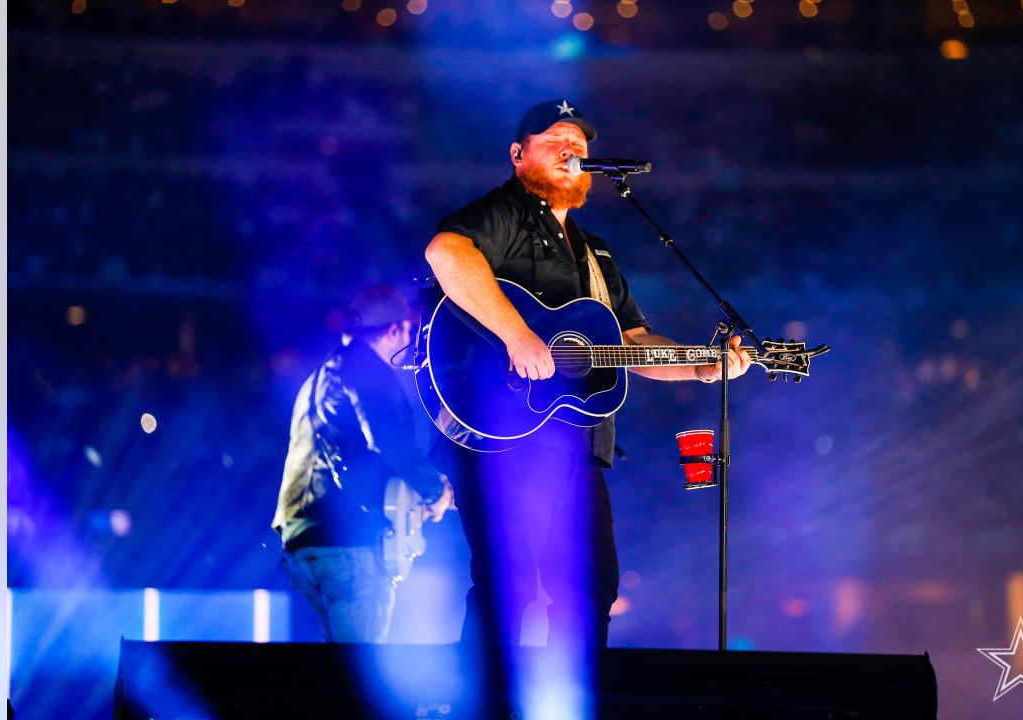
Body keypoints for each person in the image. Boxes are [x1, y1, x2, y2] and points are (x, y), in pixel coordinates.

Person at [423, 99, 753, 660]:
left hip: (578, 443)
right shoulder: (505, 213)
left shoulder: (596, 250)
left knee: (592, 588)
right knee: (510, 588)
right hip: (506, 435)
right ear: (518, 154)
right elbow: (446, 252)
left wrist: (700, 366)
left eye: (579, 143)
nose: (572, 149)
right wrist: (517, 335)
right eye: (555, 139)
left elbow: (631, 343)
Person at [272, 283, 454, 643]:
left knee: (330, 678)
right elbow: (389, 442)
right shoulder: (369, 371)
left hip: (301, 537)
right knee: (356, 683)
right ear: (396, 330)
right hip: (348, 544)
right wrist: (434, 492)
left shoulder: (321, 377)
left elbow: (354, 457)